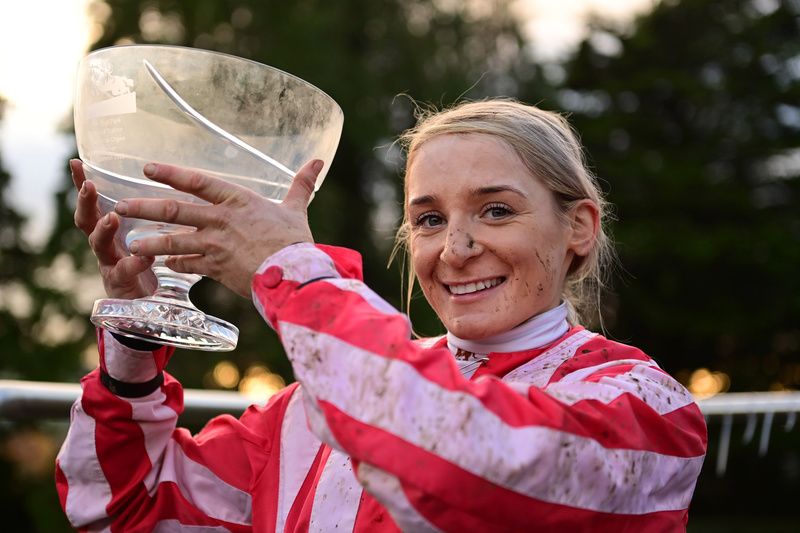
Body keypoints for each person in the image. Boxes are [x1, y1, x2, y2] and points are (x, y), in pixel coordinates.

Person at [56, 99, 707, 532]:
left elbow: (461, 459)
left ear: (579, 228)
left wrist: (291, 272)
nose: (455, 248)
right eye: (429, 219)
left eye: (496, 209)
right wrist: (137, 336)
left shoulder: (646, 412)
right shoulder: (310, 410)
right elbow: (124, 507)